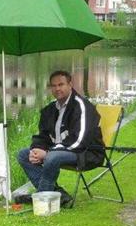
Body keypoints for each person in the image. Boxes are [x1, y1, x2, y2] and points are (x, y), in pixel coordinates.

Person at [14, 70, 104, 207]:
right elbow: (43, 136)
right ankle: (58, 195)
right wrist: (36, 149)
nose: (57, 89)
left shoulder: (82, 106)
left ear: (70, 85)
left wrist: (47, 153)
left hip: (86, 153)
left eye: (61, 84)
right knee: (23, 154)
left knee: (52, 157)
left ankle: (41, 200)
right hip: (60, 151)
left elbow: (79, 141)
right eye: (54, 86)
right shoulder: (50, 110)